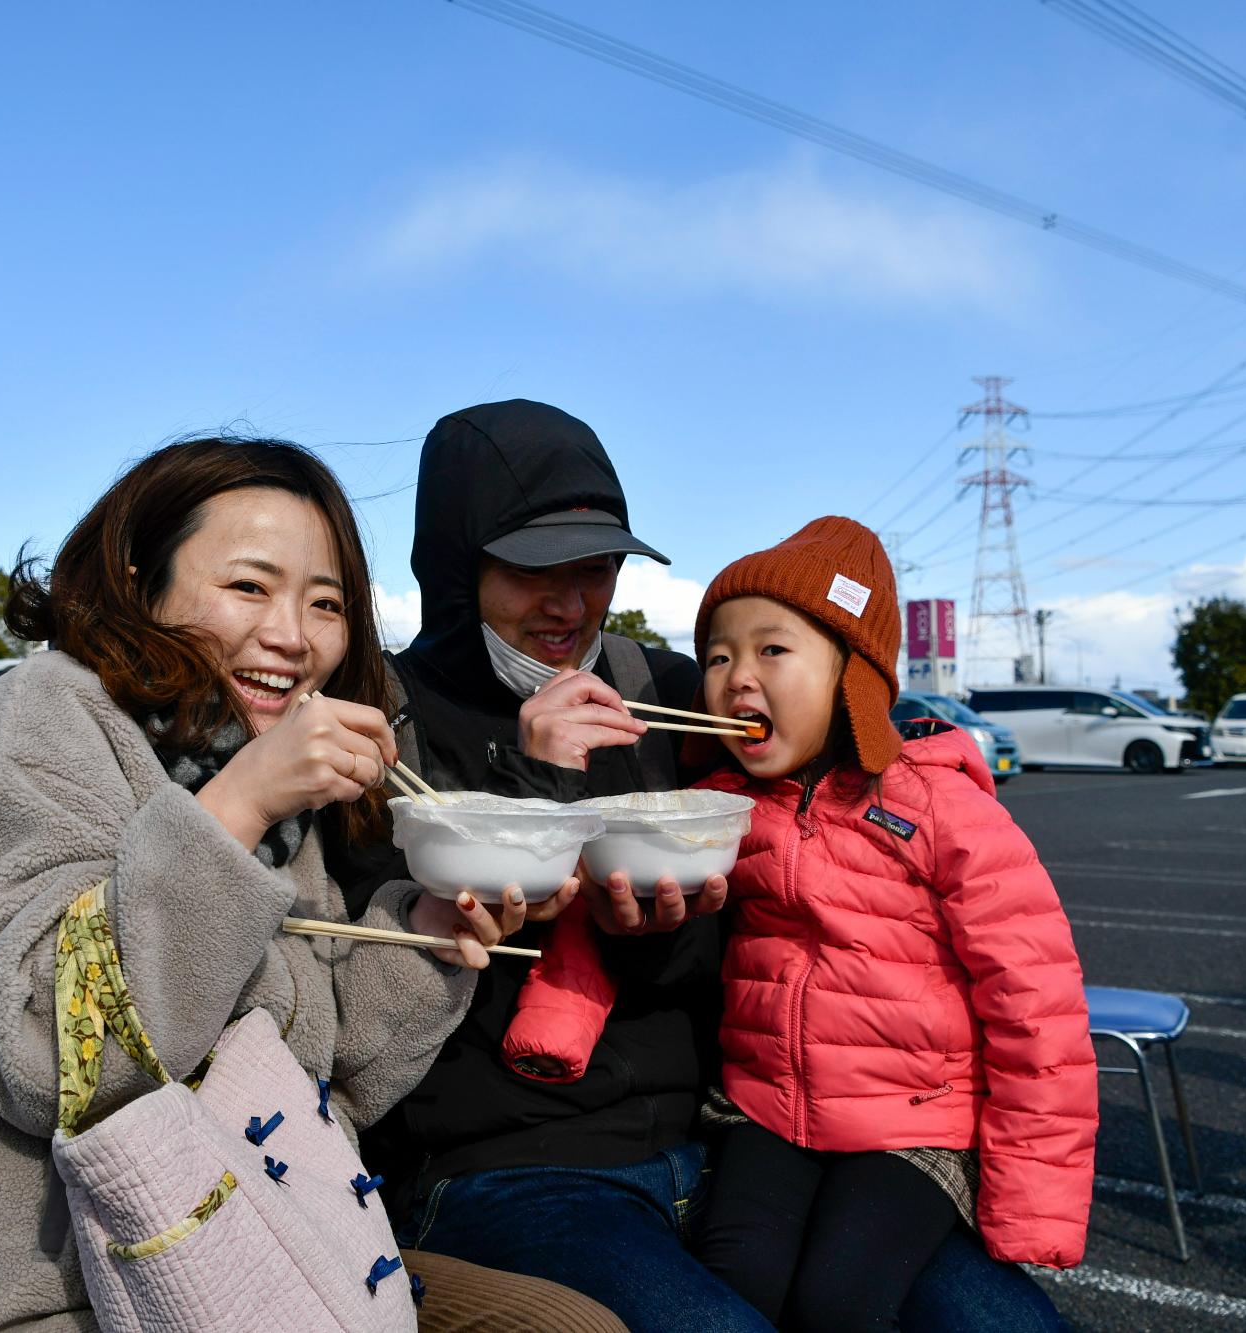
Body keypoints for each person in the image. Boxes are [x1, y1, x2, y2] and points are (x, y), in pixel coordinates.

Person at [0, 437, 564, 1331]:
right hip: (12, 1287)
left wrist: (431, 931)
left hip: (240, 1245)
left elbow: (324, 1068)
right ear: (138, 581)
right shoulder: (37, 719)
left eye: (327, 603)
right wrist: (234, 809)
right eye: (249, 587)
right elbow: (58, 1057)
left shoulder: (243, 771)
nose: (293, 633)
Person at [334, 402, 1072, 1332]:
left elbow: (786, 896)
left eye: (596, 565)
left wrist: (656, 933)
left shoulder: (671, 693)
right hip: (513, 1167)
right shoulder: (382, 724)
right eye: (533, 568)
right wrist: (537, 781)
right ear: (456, 562)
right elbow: (389, 975)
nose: (572, 601)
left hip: (733, 1140)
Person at [505, 515, 1098, 1329]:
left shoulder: (942, 805)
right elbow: (607, 895)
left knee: (838, 1301)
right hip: (762, 1110)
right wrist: (554, 1027)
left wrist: (1035, 1201)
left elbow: (1036, 1001)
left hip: (913, 1126)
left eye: (772, 650)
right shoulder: (722, 809)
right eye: (718, 655)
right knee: (736, 1279)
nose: (736, 678)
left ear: (854, 673)